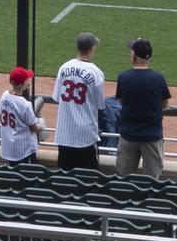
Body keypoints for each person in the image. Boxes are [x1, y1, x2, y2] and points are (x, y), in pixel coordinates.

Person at [113, 37, 170, 178]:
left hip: (128, 135)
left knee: (123, 180)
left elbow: (120, 101)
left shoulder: (123, 77)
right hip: (152, 136)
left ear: (135, 55)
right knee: (152, 182)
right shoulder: (159, 78)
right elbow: (165, 104)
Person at [51, 32, 105, 171]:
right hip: (86, 137)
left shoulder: (63, 68)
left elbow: (57, 97)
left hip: (65, 136)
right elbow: (100, 105)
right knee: (89, 179)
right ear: (92, 48)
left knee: (65, 179)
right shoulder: (96, 73)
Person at [0, 67, 43, 164]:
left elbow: (0, 110)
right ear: (23, 84)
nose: (28, 81)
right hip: (23, 151)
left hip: (8, 148)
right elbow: (34, 127)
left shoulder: (4, 96)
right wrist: (41, 125)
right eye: (26, 80)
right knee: (26, 176)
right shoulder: (25, 105)